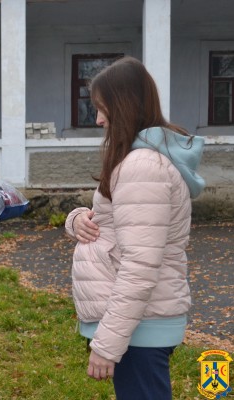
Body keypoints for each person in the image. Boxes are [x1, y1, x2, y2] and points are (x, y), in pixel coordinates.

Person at [64, 56, 205, 399]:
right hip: (138, 324)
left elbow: (140, 266)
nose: (98, 119)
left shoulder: (143, 166)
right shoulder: (140, 160)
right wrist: (77, 220)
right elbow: (116, 224)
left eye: (102, 108)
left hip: (140, 327)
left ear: (123, 105)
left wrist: (108, 345)